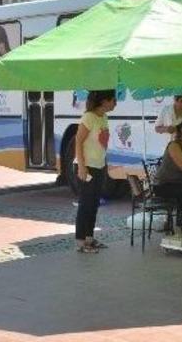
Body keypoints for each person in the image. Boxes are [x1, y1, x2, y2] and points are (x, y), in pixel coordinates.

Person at [74, 89, 117, 254]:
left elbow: (101, 144)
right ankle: (80, 241)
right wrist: (82, 166)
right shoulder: (89, 117)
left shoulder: (103, 117)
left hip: (99, 166)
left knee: (94, 204)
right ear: (104, 101)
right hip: (88, 166)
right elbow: (78, 142)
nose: (115, 103)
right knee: (85, 204)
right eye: (113, 100)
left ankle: (90, 238)